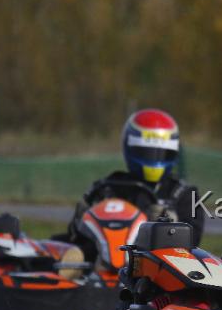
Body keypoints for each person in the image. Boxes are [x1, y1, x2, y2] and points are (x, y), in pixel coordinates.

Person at [57, 109, 205, 263]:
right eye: (146, 152)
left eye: (161, 152)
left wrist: (168, 226)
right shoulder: (109, 187)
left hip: (156, 265)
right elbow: (76, 237)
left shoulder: (184, 194)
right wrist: (82, 219)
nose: (154, 158)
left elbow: (193, 242)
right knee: (66, 250)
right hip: (103, 259)